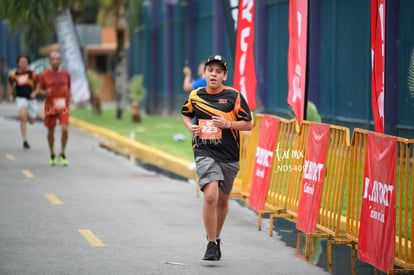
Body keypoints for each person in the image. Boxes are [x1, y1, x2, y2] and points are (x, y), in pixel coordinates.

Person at [181, 55, 253, 261]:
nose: (214, 74)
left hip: (229, 154)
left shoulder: (234, 96)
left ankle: (217, 238)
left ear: (224, 76)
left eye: (218, 71)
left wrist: (228, 124)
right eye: (210, 70)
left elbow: (248, 124)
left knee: (222, 199)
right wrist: (190, 127)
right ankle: (210, 243)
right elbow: (186, 113)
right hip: (205, 150)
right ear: (204, 73)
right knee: (210, 194)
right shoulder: (196, 95)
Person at [37, 51, 71, 166]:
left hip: (63, 106)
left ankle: (62, 152)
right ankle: (52, 153)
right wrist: (45, 92)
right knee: (51, 130)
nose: (55, 61)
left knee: (64, 129)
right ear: (50, 61)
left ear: (60, 61)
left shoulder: (66, 74)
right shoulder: (44, 74)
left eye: (57, 59)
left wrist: (69, 99)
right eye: (53, 59)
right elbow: (39, 90)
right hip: (50, 106)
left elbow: (69, 87)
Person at [8, 55, 38, 149]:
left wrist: (35, 92)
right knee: (22, 117)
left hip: (31, 99)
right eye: (21, 62)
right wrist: (11, 95)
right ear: (17, 63)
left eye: (24, 62)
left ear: (28, 63)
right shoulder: (14, 74)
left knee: (32, 121)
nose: (22, 64)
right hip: (21, 98)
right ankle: (25, 140)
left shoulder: (32, 74)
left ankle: (29, 115)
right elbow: (10, 84)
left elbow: (39, 84)